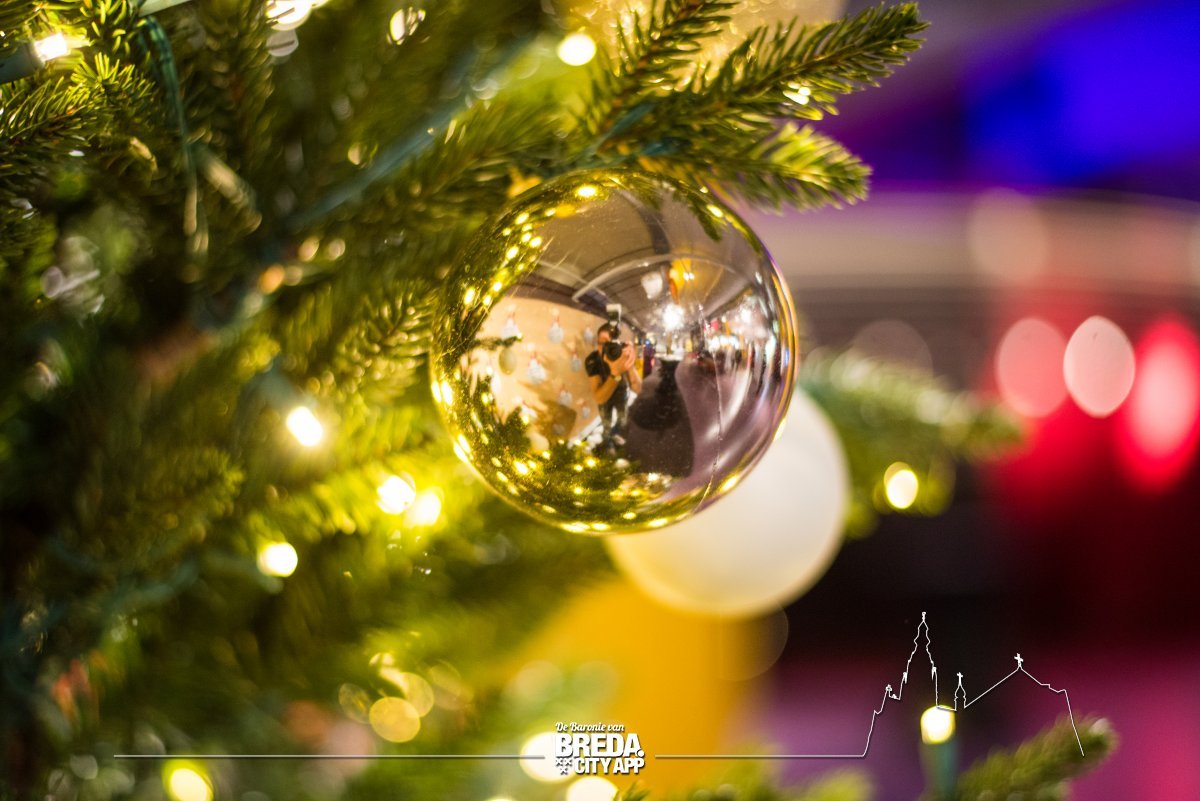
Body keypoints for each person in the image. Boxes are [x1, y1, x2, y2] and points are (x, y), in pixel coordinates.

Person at [585, 322, 642, 448]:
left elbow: (638, 389)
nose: (607, 348)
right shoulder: (593, 360)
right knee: (606, 422)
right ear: (597, 343)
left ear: (618, 344)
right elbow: (599, 398)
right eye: (603, 343)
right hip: (605, 397)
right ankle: (607, 443)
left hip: (621, 394)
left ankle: (616, 436)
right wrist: (615, 373)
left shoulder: (622, 355)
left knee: (622, 420)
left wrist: (630, 365)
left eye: (612, 344)